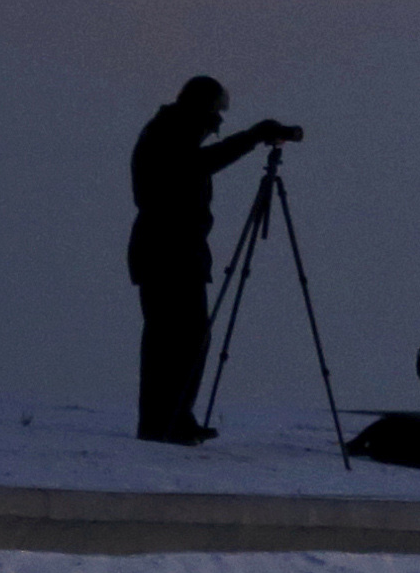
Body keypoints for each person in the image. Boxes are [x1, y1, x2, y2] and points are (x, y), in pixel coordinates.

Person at [126, 76, 300, 444]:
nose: (217, 124)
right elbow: (197, 165)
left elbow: (198, 164)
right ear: (202, 107)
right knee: (174, 340)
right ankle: (165, 422)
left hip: (174, 252)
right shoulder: (170, 133)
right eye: (216, 113)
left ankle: (173, 419)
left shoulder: (167, 130)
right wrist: (253, 137)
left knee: (183, 339)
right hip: (167, 253)